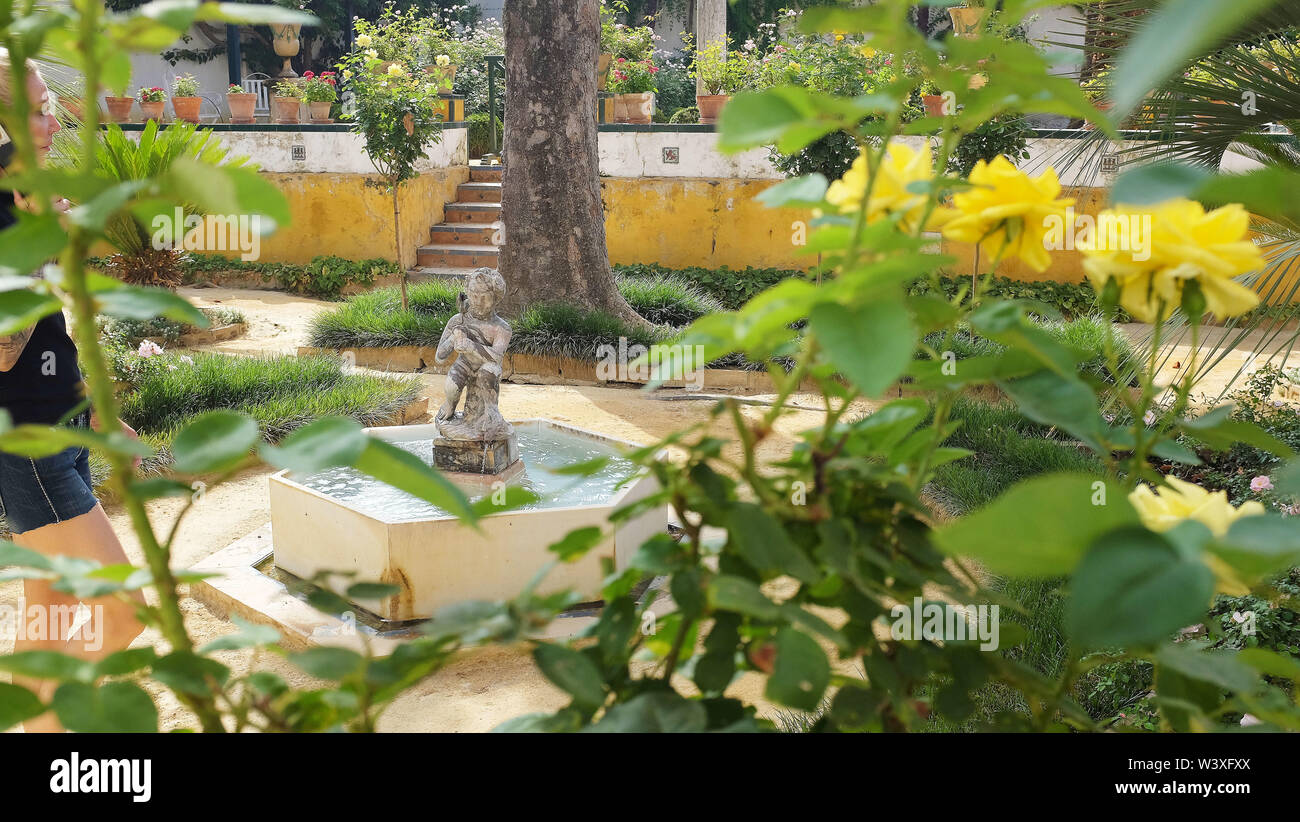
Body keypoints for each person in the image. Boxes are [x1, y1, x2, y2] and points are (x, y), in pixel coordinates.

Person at [0, 50, 145, 732]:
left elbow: (50, 337)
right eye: (29, 111)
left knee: (47, 615)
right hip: (29, 443)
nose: (48, 122)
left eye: (44, 105)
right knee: (122, 615)